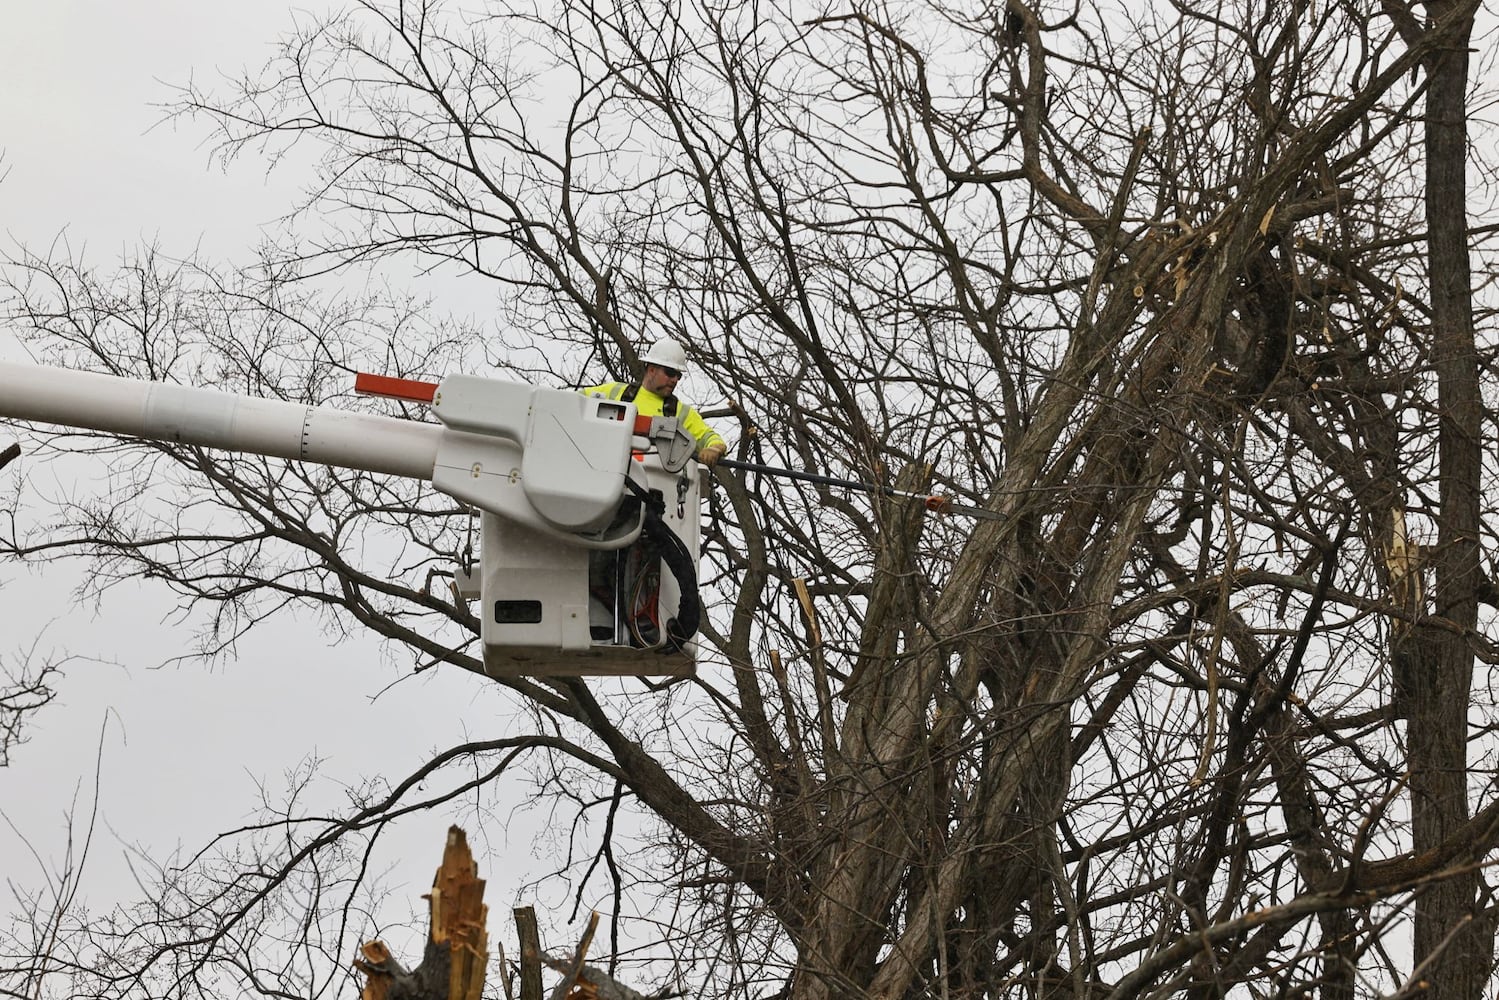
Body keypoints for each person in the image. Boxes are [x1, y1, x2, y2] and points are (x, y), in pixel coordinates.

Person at [582, 337, 727, 466]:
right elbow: (570, 404)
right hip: (604, 472)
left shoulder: (680, 412)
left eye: (678, 375)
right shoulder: (614, 392)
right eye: (670, 373)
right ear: (651, 369)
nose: (675, 380)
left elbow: (709, 437)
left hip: (654, 487)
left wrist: (714, 449)